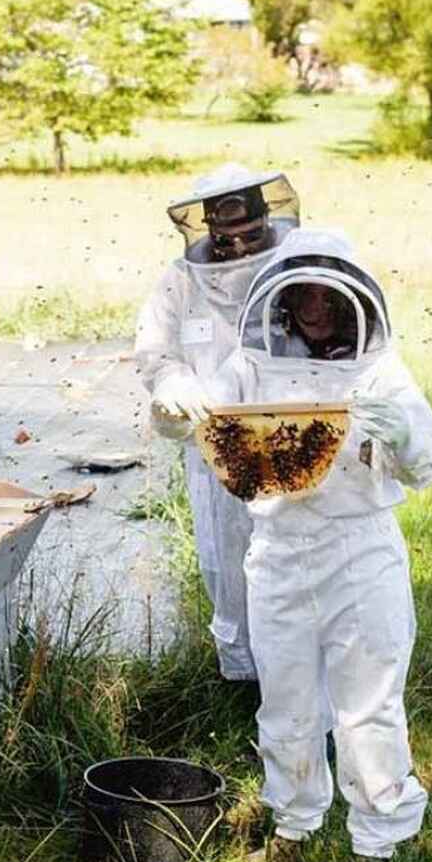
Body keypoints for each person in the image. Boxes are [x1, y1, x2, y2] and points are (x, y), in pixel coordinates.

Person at [220, 229, 432, 862]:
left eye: (325, 291)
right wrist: (175, 402)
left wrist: (400, 432)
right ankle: (293, 826)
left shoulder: (379, 371)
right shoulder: (254, 363)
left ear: (351, 299)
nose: (314, 305)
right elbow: (210, 421)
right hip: (279, 551)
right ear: (281, 297)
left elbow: (427, 466)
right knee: (285, 703)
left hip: (359, 549)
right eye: (301, 291)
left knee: (366, 706)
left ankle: (378, 846)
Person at [135, 163, 301, 682]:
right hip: (214, 446)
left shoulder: (295, 264)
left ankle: (296, 674)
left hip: (290, 437)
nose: (239, 245)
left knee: (292, 563)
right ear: (206, 227)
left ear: (265, 216)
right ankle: (244, 679)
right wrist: (173, 385)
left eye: (250, 234)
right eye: (227, 237)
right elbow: (156, 353)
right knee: (226, 562)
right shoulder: (181, 281)